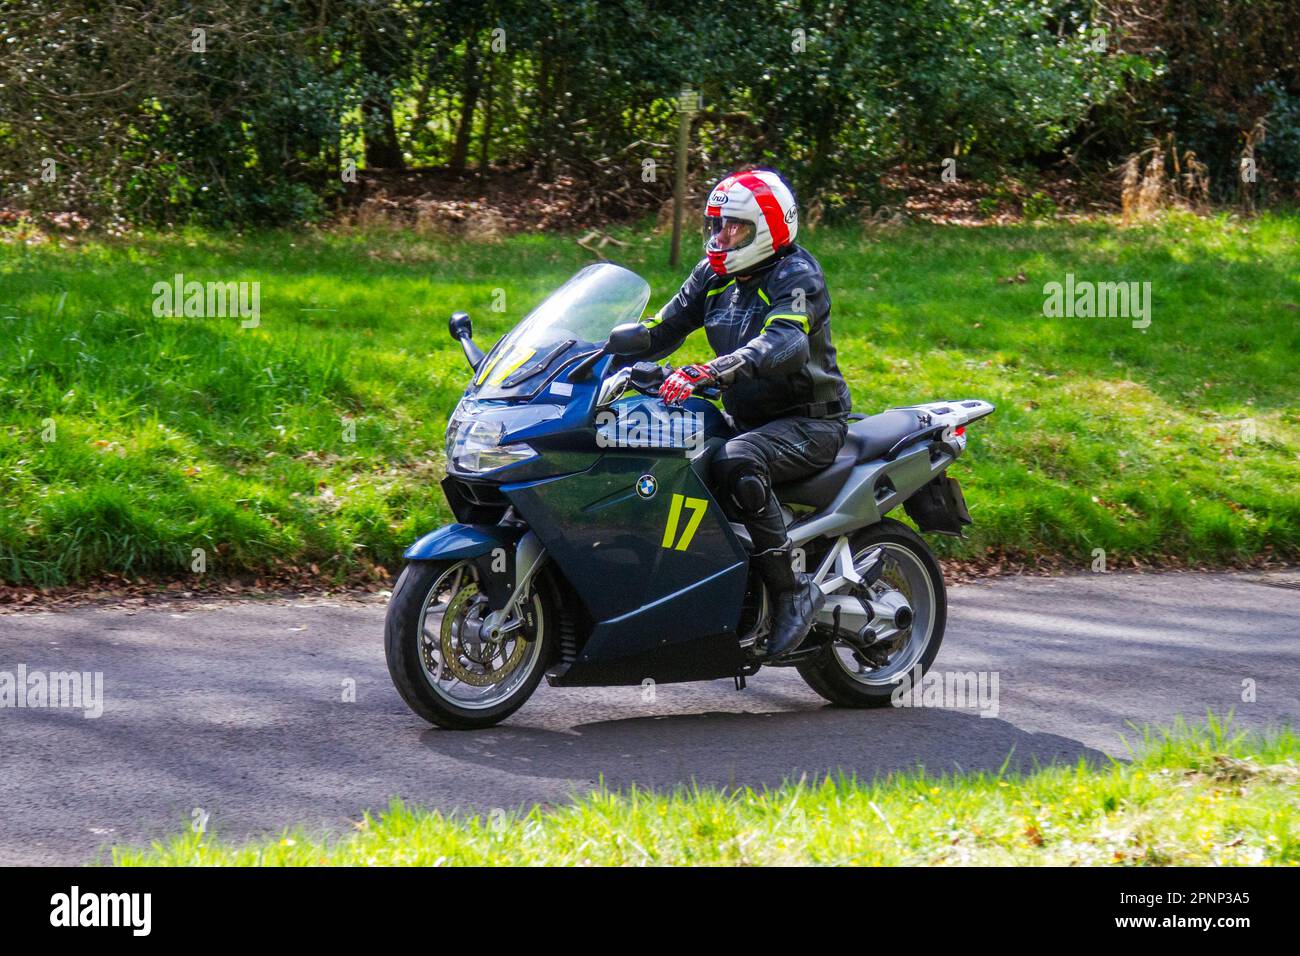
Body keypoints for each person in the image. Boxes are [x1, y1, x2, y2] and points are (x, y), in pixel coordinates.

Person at [630, 166, 852, 659]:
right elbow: (660, 330)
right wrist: (591, 352)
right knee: (662, 451)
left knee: (735, 460)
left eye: (735, 226)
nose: (721, 236)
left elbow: (784, 342)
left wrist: (709, 371)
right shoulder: (713, 275)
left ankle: (792, 590)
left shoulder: (797, 275)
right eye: (716, 224)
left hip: (810, 422)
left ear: (770, 227)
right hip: (745, 416)